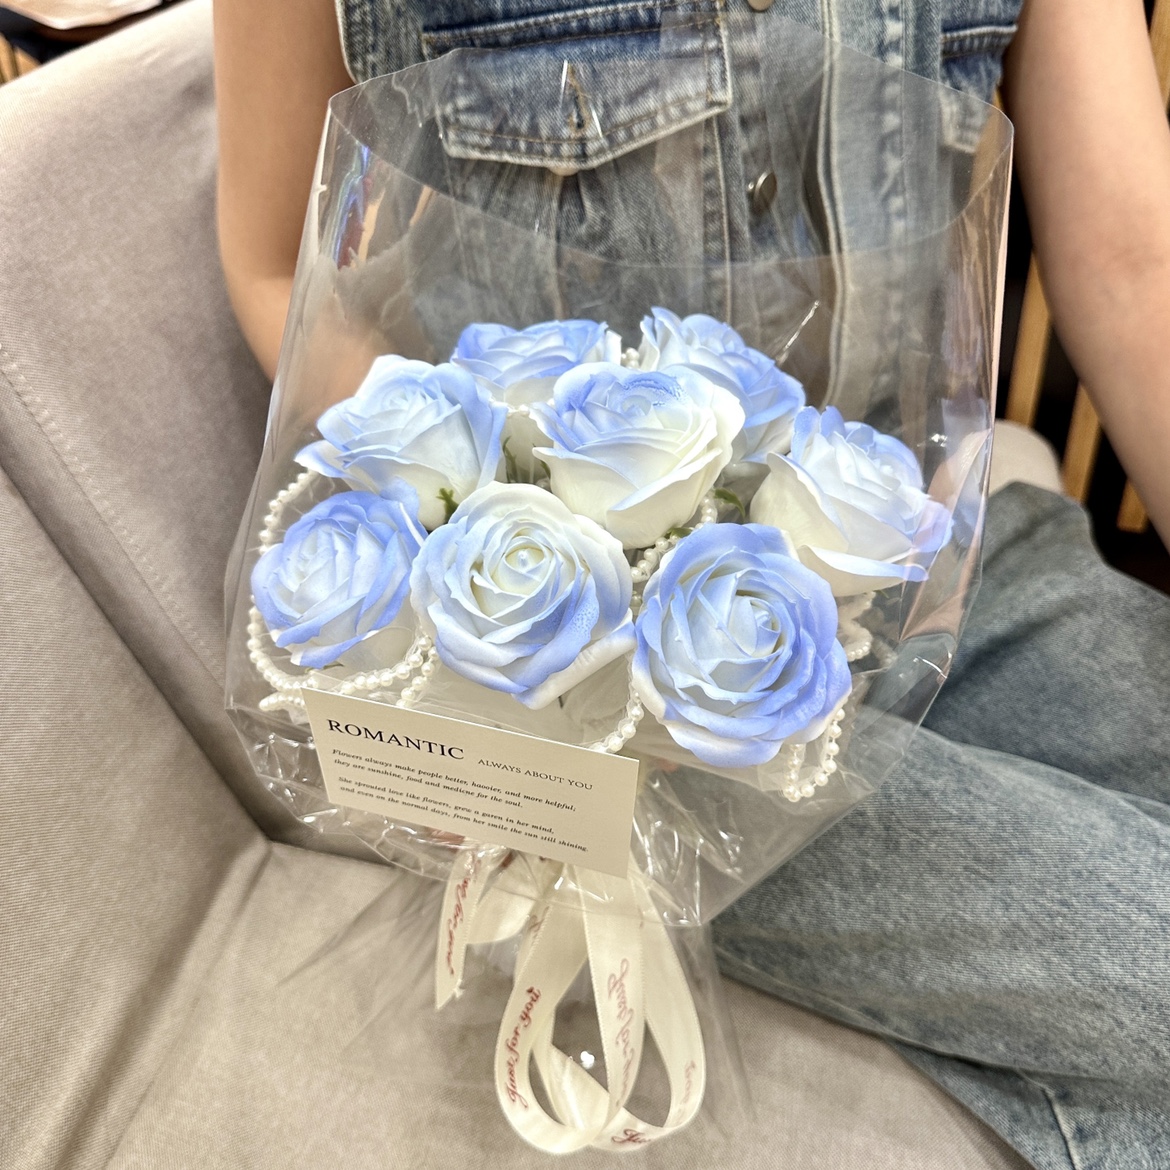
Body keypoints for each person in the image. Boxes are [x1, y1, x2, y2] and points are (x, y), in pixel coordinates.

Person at [213, 1, 1170, 1165]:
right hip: (609, 709)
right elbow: (277, 260)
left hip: (929, 550)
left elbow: (1137, 267)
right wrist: (479, 569)